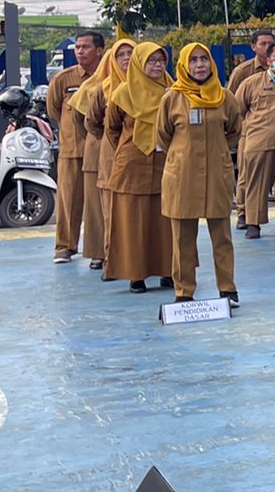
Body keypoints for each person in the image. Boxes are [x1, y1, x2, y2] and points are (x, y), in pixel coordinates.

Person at [158, 43, 244, 304]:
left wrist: (217, 151)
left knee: (222, 236)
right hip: (182, 174)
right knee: (183, 237)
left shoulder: (225, 96)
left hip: (217, 172)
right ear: (184, 65)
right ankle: (184, 292)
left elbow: (235, 130)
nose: (199, 65)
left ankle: (227, 289)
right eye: (193, 60)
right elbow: (162, 134)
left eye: (204, 59)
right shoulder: (172, 98)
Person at [102, 42, 174, 292]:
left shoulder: (173, 91)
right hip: (130, 167)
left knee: (166, 221)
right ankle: (136, 275)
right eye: (151, 61)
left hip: (166, 165)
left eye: (160, 60)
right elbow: (111, 129)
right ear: (138, 64)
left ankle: (169, 271)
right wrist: (128, 149)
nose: (157, 65)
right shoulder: (122, 93)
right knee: (132, 223)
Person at [235, 41, 275, 240]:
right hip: (260, 142)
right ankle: (253, 223)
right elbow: (237, 110)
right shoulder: (252, 83)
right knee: (256, 184)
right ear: (269, 60)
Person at [81, 38, 136, 274]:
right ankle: (110, 261)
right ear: (112, 59)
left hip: (143, 159)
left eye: (130, 53)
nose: (126, 58)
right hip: (111, 155)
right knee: (111, 210)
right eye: (120, 54)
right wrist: (113, 140)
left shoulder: (155, 85)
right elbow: (91, 122)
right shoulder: (102, 89)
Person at [48, 30, 103, 262]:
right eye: (77, 47)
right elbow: (54, 111)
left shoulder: (107, 78)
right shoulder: (64, 79)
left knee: (98, 205)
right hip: (71, 151)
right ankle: (65, 246)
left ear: (99, 50)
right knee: (68, 201)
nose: (80, 51)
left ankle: (99, 251)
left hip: (100, 151)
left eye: (85, 47)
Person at [228, 28, 275, 228]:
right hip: (250, 131)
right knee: (247, 175)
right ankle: (243, 213)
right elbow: (232, 102)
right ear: (253, 47)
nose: (266, 48)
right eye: (262, 44)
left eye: (270, 44)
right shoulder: (243, 71)